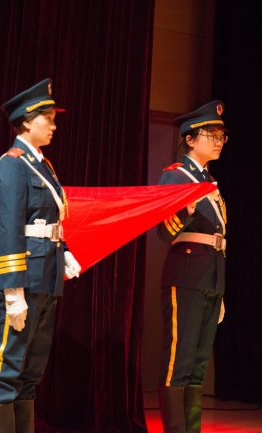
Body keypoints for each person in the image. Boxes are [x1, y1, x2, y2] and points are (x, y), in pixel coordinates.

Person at [0, 79, 81, 433]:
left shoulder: (42, 165)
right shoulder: (13, 164)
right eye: (48, 118)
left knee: (31, 368)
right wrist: (12, 290)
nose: (54, 126)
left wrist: (63, 251)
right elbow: (8, 229)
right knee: (8, 366)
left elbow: (46, 220)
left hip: (47, 274)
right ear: (27, 120)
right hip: (24, 278)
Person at [157, 100, 228, 433]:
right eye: (212, 135)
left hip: (210, 278)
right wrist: (185, 208)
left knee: (198, 364)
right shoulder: (176, 175)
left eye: (221, 136)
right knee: (180, 360)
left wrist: (219, 287)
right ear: (190, 138)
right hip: (185, 275)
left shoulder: (209, 180)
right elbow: (163, 231)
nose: (219, 141)